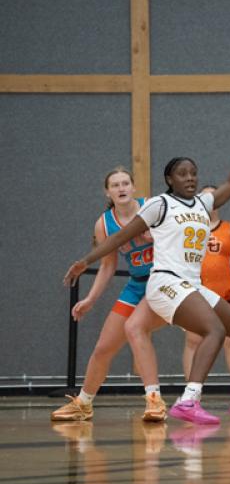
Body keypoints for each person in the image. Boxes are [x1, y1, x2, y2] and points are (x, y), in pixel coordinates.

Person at [63, 108, 230, 425]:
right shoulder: (158, 205)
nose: (190, 177)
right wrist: (85, 261)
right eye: (183, 174)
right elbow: (120, 236)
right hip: (164, 283)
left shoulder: (203, 203)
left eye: (194, 173)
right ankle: (187, 401)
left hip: (191, 284)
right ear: (169, 180)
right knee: (212, 330)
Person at [52, 167, 155, 421]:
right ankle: (84, 403)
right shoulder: (104, 224)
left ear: (133, 187)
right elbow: (108, 266)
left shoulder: (152, 206)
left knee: (138, 330)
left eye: (125, 183)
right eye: (115, 185)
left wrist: (155, 235)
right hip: (137, 284)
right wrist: (90, 299)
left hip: (164, 281)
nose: (121, 188)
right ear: (107, 191)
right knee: (103, 347)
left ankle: (155, 401)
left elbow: (177, 237)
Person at [183, 185, 230, 401]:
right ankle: (191, 394)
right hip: (195, 292)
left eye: (214, 196)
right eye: (205, 196)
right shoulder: (189, 228)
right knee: (193, 340)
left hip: (226, 292)